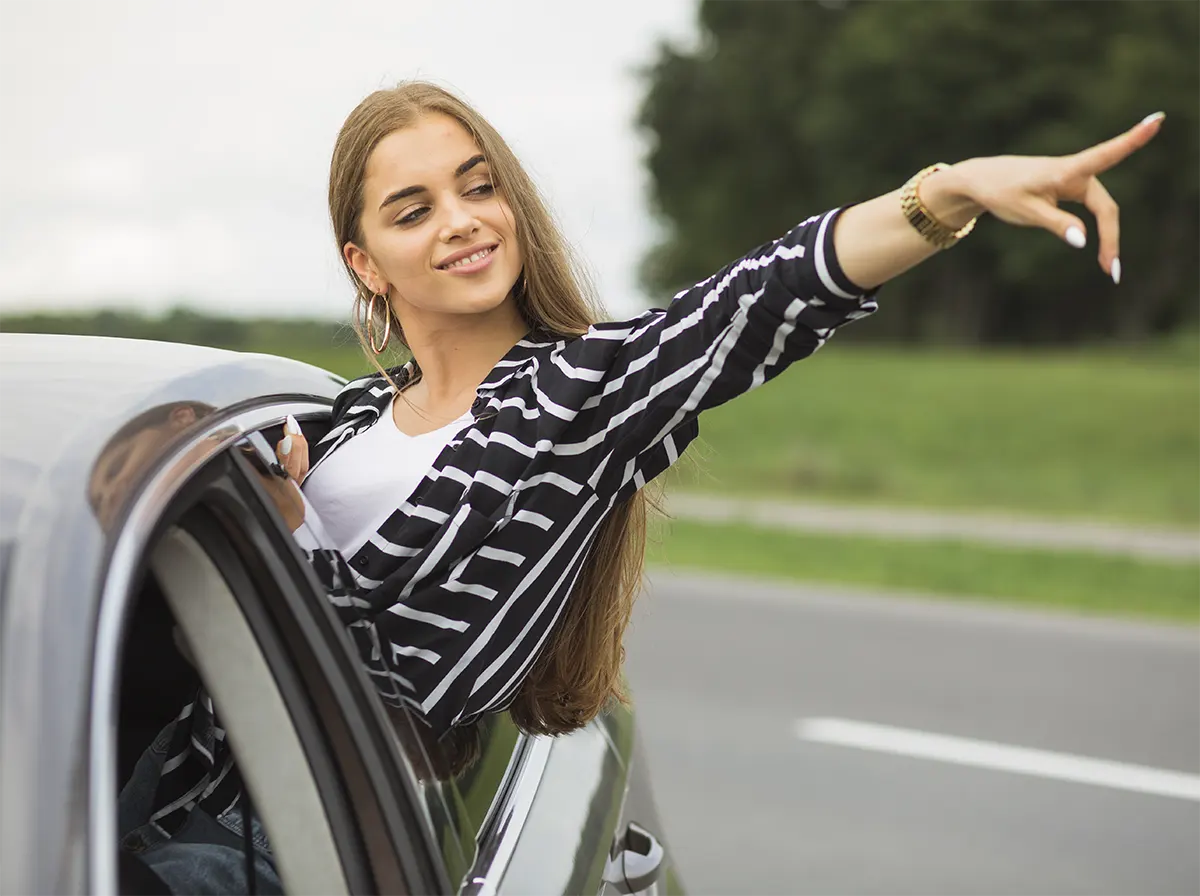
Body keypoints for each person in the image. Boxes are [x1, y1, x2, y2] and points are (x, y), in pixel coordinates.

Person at [124, 80, 1162, 892]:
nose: (464, 220)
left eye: (480, 185)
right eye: (415, 208)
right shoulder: (334, 418)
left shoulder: (576, 399)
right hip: (155, 788)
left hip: (284, 850)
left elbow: (763, 298)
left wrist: (944, 194)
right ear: (367, 263)